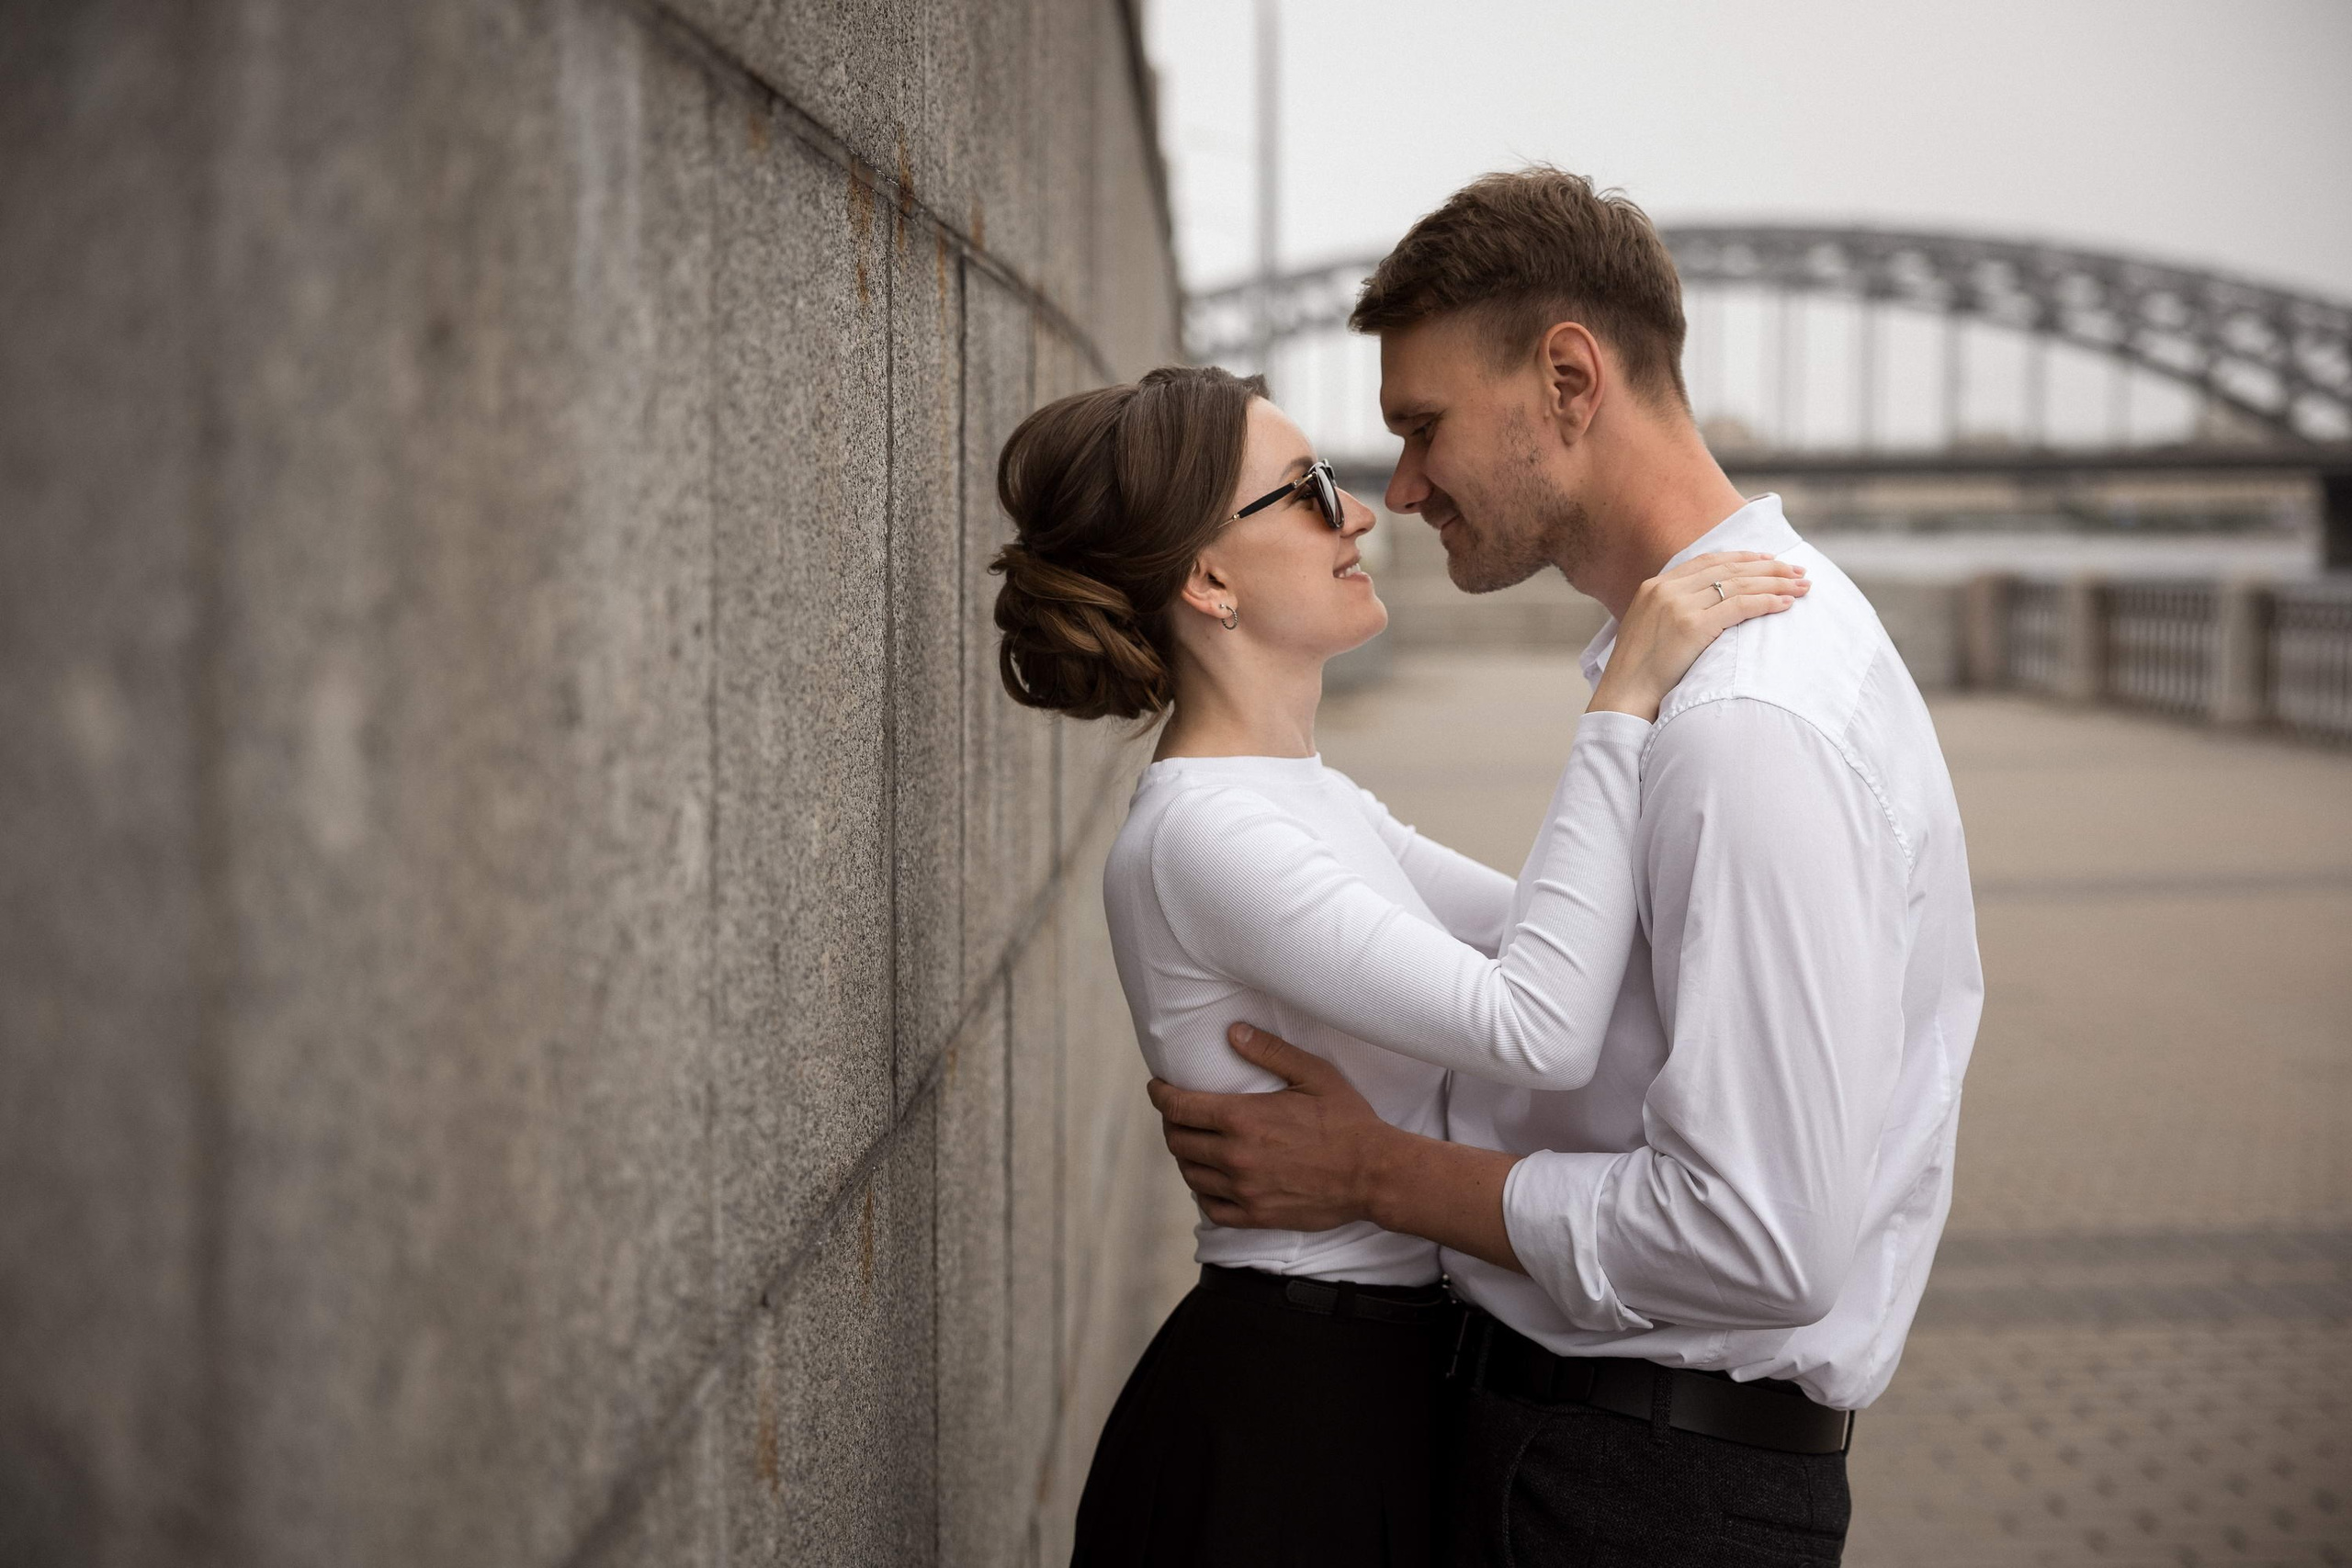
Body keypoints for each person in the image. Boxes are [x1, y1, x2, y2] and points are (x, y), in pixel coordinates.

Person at [1146, 167, 1984, 1566]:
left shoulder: (1743, 727)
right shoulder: (1733, 664)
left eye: (1422, 428)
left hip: (1627, 1489)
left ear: (1570, 378)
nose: (1399, 491)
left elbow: (1761, 1240)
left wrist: (1378, 1172)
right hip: (1621, 1464)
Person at [988, 363, 1806, 1565]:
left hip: (1366, 1378)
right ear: (1208, 580)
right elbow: (1541, 1022)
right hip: (1287, 1418)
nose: (1358, 510)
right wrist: (1622, 700)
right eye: (1308, 491)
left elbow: (1560, 943)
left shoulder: (1302, 799)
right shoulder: (1208, 834)